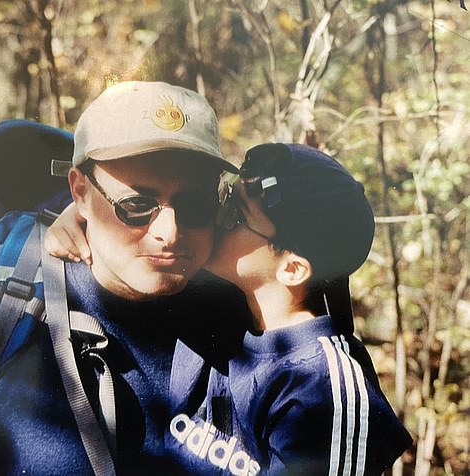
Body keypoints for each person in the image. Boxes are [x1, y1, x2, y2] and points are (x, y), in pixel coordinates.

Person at [0, 81, 249, 475]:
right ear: (80, 193)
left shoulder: (251, 312)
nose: (170, 232)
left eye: (194, 205)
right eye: (136, 205)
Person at [48, 143, 413, 474]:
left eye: (237, 216)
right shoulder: (223, 309)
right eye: (224, 197)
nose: (214, 218)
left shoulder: (323, 391)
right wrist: (85, 216)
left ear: (292, 269)